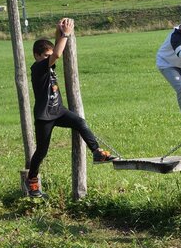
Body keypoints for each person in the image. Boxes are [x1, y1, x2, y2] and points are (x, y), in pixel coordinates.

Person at [26, 18, 116, 198]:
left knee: (80, 122)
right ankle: (32, 181)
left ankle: (97, 152)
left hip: (58, 110)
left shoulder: (47, 64)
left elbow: (56, 51)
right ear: (37, 56)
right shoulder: (38, 68)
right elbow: (57, 54)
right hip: (45, 116)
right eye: (45, 56)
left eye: (48, 55)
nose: (48, 59)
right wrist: (66, 34)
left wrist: (59, 30)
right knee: (42, 150)